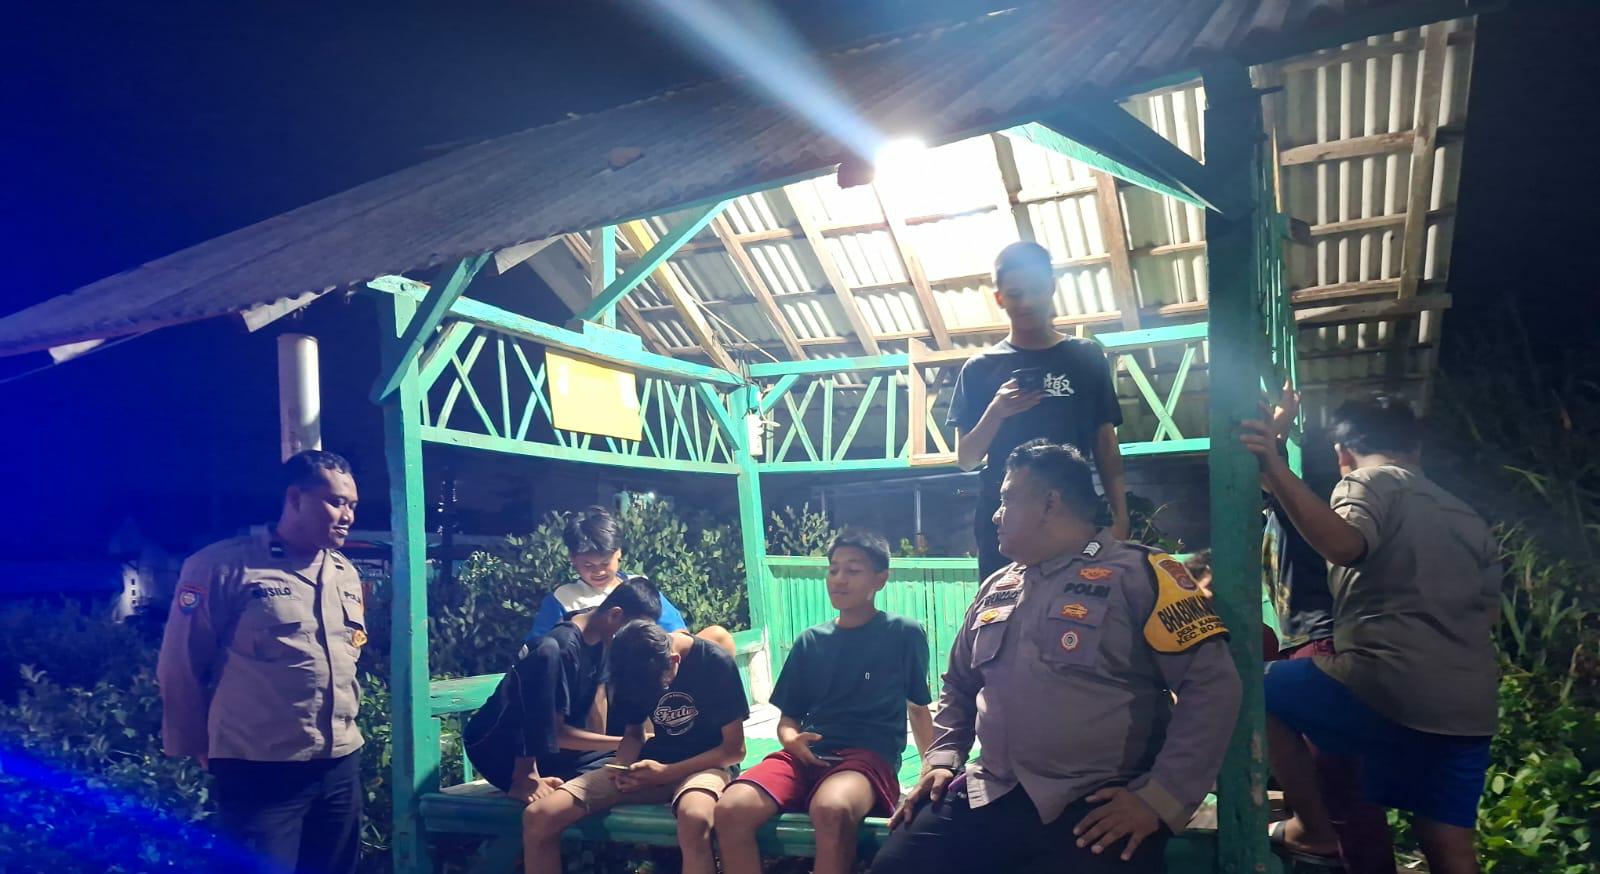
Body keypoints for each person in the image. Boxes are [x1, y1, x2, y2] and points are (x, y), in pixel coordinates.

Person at [870, 439, 1242, 874]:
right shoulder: (998, 587)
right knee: (895, 864)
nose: (996, 514)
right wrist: (941, 761)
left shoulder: (1143, 575)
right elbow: (960, 686)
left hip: (1095, 804)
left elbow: (1212, 686)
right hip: (993, 790)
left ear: (1050, 503)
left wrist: (1159, 797)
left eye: (1007, 499)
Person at [1241, 395, 1499, 874]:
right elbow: (1489, 613)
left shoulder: (1367, 481)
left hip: (1385, 684)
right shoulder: (1467, 516)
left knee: (1251, 688)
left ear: (1343, 452)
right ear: (1416, 448)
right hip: (1469, 706)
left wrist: (1274, 464)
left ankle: (1313, 828)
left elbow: (1345, 545)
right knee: (1450, 847)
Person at [157, 450, 366, 874]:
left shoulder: (345, 573)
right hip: (260, 769)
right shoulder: (222, 566)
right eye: (335, 502)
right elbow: (180, 663)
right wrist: (195, 743)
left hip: (339, 764)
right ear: (295, 499)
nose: (347, 516)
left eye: (352, 505)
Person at [716, 529, 935, 874]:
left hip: (867, 758)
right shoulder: (811, 641)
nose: (839, 579)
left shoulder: (903, 633)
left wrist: (930, 770)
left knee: (831, 808)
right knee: (731, 808)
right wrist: (791, 740)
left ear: (881, 578)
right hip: (807, 755)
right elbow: (788, 720)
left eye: (853, 570)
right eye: (833, 569)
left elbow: (918, 708)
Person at [949, 241, 1128, 581]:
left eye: (1036, 290)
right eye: (1015, 294)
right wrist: (997, 410)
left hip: (1072, 516)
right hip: (1005, 522)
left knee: (1079, 608)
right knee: (1006, 609)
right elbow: (966, 459)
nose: (1027, 302)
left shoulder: (1085, 357)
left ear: (1052, 288)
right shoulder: (979, 368)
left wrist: (1121, 517)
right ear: (999, 298)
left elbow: (1106, 444)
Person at [521, 620, 748, 874]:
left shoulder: (715, 663)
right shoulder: (630, 665)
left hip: (707, 763)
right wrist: (621, 767)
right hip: (651, 765)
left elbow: (734, 750)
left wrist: (667, 773)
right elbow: (633, 734)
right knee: (539, 816)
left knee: (695, 818)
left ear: (674, 660)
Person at [463, 576, 663, 803]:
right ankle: (524, 779)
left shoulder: (602, 637)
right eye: (633, 631)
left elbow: (598, 702)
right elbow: (555, 733)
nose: (633, 640)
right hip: (501, 752)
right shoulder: (560, 646)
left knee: (637, 762)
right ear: (615, 614)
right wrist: (623, 742)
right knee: (624, 768)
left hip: (553, 748)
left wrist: (621, 748)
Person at [526, 506, 687, 638]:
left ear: (618, 552)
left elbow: (678, 633)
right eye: (588, 565)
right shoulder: (562, 599)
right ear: (573, 558)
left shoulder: (639, 588)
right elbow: (539, 649)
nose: (599, 571)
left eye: (605, 563)